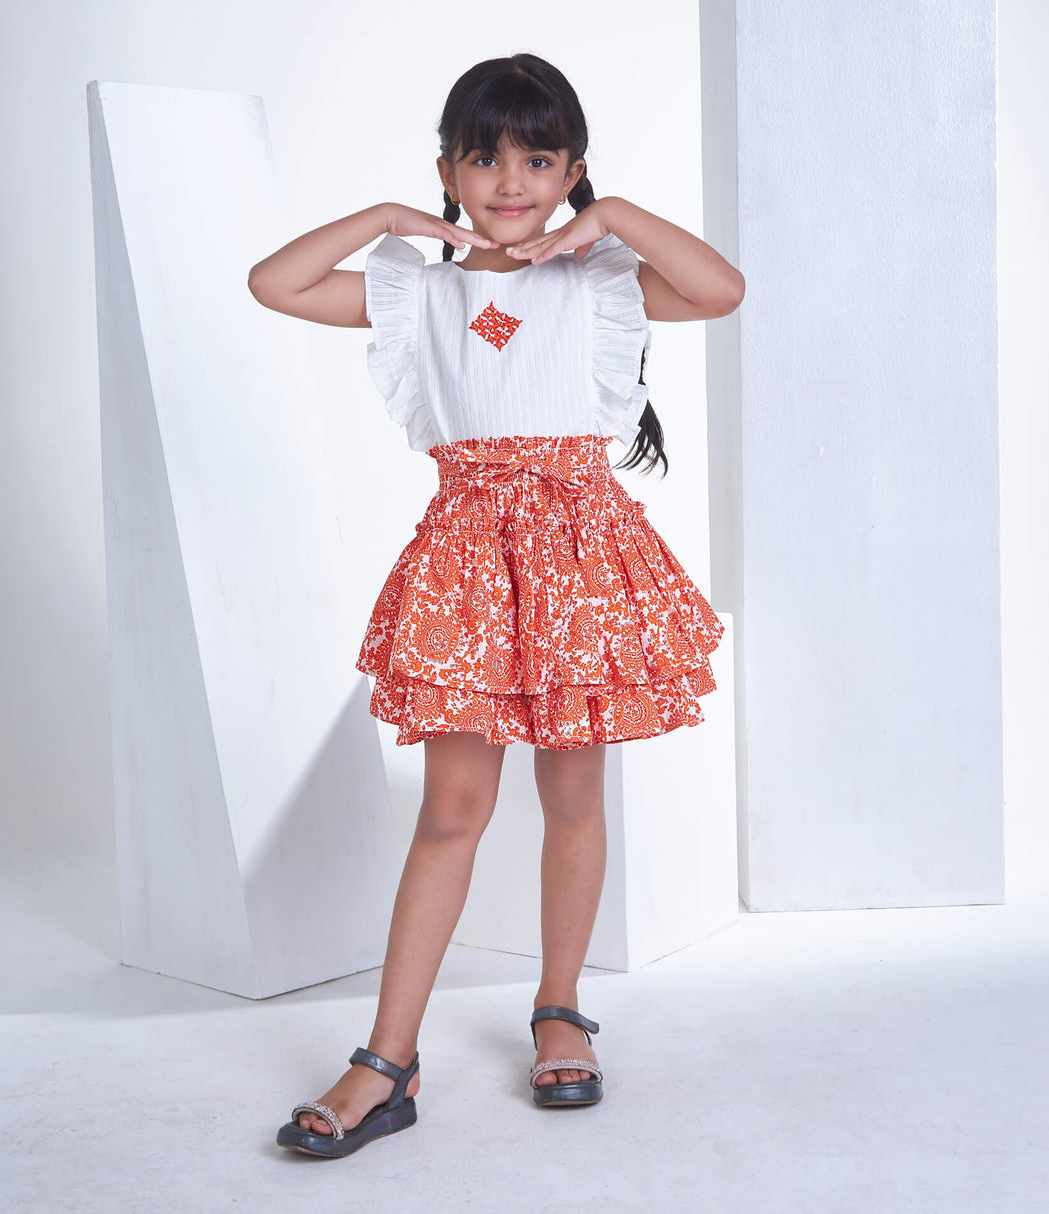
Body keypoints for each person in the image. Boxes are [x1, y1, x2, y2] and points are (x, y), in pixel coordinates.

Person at [248, 51, 743, 1158]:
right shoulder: (416, 289)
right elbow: (274, 284)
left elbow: (719, 288)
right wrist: (386, 214)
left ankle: (558, 1006)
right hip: (471, 563)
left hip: (580, 561)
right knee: (453, 807)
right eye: (483, 158)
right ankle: (389, 1056)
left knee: (573, 790)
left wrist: (605, 214)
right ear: (449, 170)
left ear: (569, 166)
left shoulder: (601, 278)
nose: (510, 180)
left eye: (538, 157)